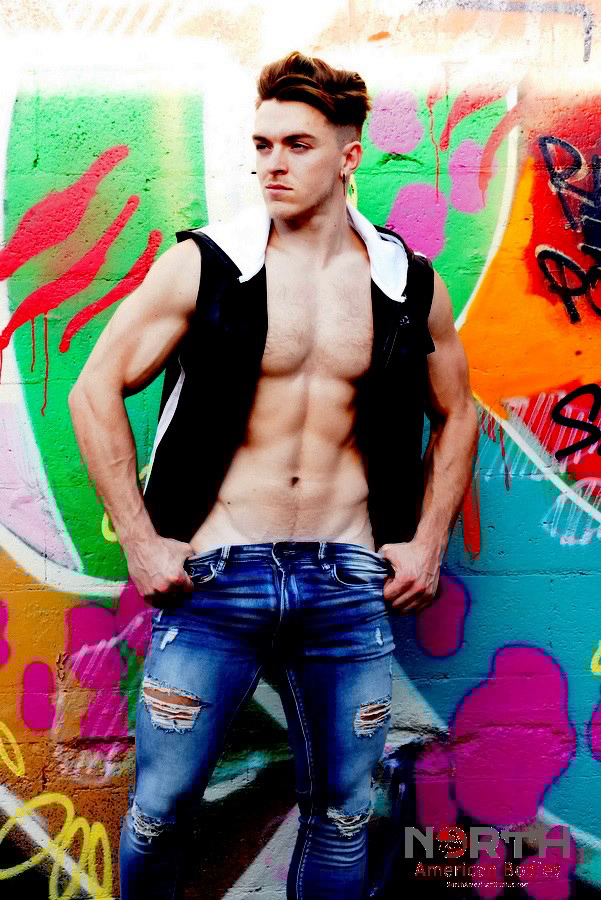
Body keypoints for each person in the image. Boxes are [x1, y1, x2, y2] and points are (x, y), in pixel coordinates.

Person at [69, 50, 478, 900]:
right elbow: (93, 388)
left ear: (349, 155)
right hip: (216, 578)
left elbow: (458, 412)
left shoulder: (407, 285)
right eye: (261, 145)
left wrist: (426, 544)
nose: (272, 164)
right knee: (160, 810)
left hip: (347, 580)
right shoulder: (206, 265)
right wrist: (142, 542)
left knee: (342, 814)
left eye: (296, 144)